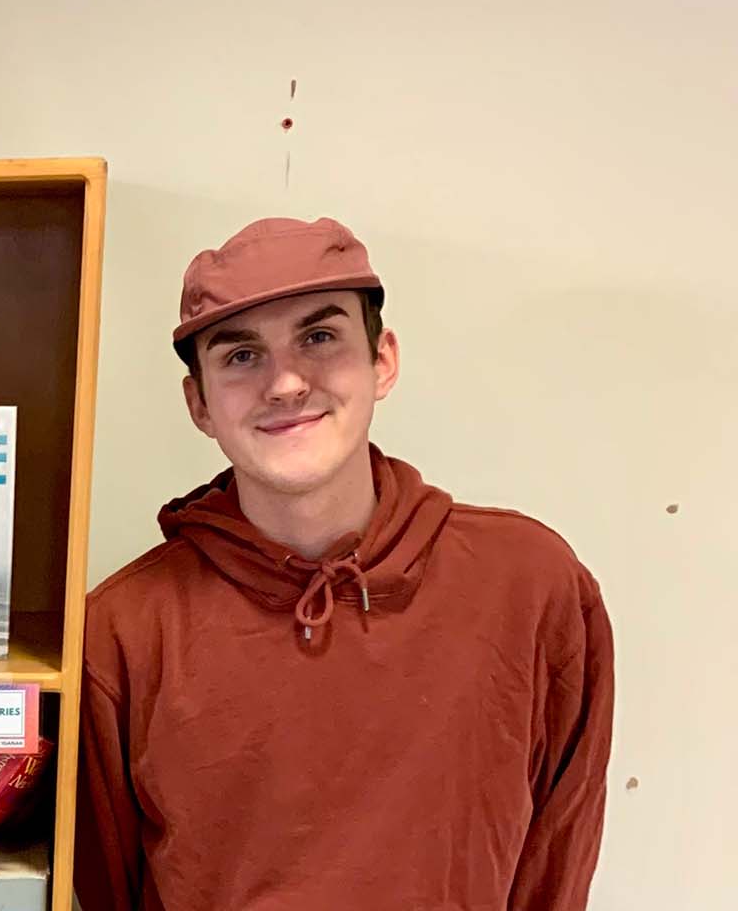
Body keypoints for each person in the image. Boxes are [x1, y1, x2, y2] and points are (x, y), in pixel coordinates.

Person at [76, 218, 613, 910]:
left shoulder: (532, 585)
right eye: (242, 356)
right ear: (198, 403)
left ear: (382, 359)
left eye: (319, 338)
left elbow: (556, 863)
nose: (287, 383)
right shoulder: (120, 632)